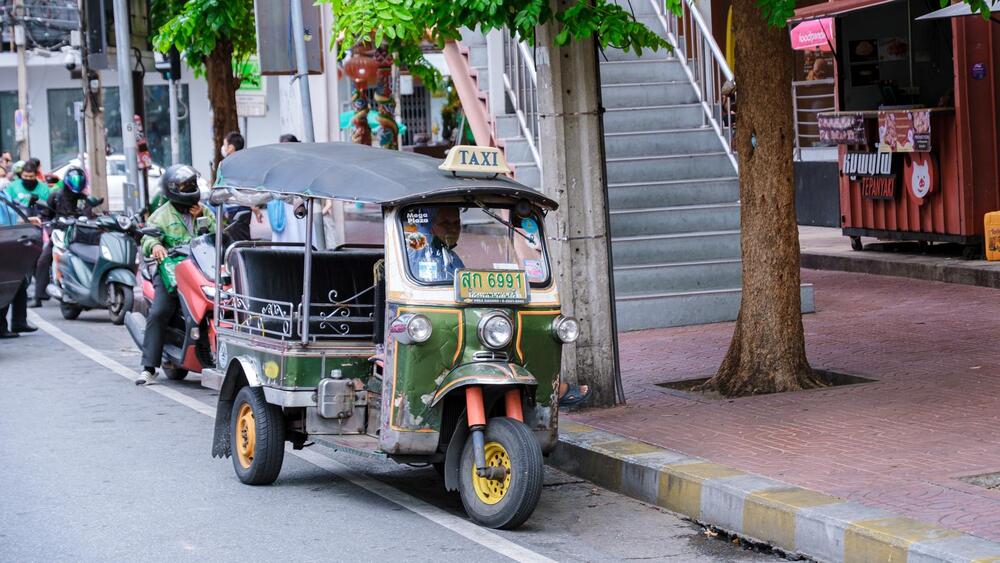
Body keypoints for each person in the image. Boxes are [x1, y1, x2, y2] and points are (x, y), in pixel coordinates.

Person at [136, 165, 216, 385]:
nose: (189, 188)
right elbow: (147, 237)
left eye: (191, 184)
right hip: (171, 271)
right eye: (183, 186)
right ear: (172, 189)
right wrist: (155, 246)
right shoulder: (162, 215)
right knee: (160, 311)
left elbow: (220, 234)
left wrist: (205, 220)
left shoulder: (204, 210)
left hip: (202, 269)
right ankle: (149, 368)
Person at [31, 168, 101, 307]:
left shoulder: (83, 199)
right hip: (60, 233)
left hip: (79, 234)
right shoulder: (55, 196)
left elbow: (89, 214)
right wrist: (50, 228)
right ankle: (38, 297)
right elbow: (46, 214)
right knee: (43, 260)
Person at [0, 191, 39, 336]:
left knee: (18, 281)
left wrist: (28, 221)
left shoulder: (4, 194)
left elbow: (13, 219)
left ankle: (19, 322)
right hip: (4, 242)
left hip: (9, 241)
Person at [405, 206, 465, 283]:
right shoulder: (419, 254)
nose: (453, 229)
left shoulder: (451, 257)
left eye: (456, 223)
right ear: (429, 226)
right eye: (445, 223)